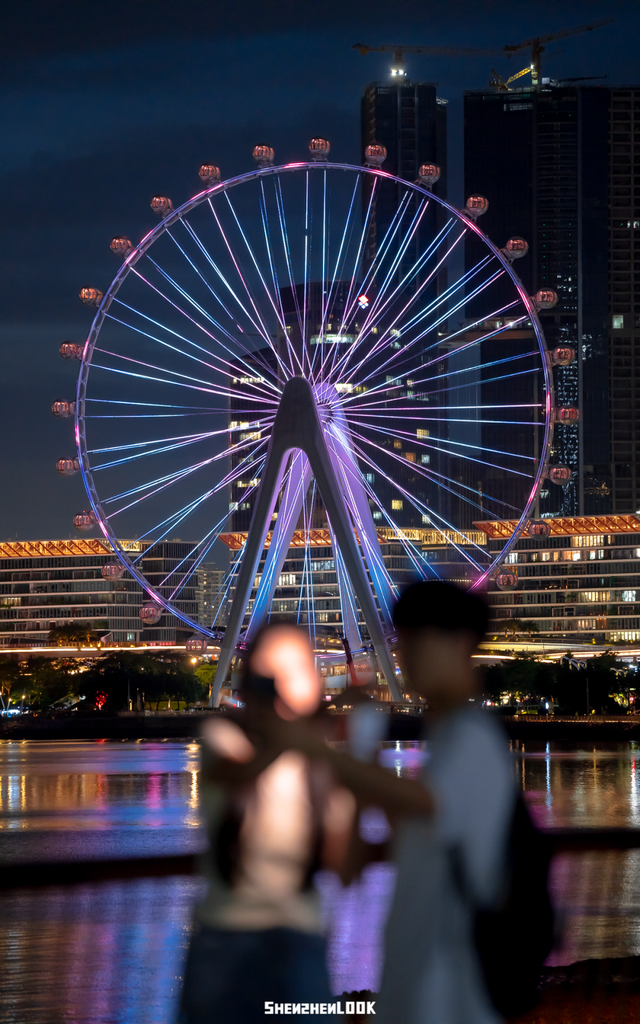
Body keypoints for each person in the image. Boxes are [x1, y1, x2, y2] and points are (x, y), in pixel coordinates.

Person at [255, 582, 516, 1024]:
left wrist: (317, 752)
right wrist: (363, 743)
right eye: (403, 641)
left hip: (452, 988)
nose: (405, 657)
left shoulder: (474, 738)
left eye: (416, 641)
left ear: (460, 643)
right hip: (414, 979)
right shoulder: (446, 741)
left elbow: (426, 802)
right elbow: (396, 833)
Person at [178, 623, 357, 1024]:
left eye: (294, 669)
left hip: (302, 933)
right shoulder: (222, 735)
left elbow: (343, 864)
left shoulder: (323, 758)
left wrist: (356, 756)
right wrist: (307, 737)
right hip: (227, 935)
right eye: (268, 672)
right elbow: (237, 774)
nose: (280, 684)